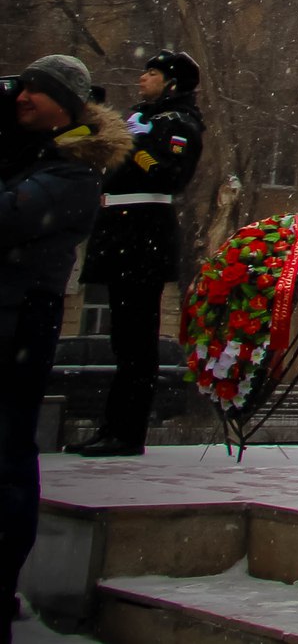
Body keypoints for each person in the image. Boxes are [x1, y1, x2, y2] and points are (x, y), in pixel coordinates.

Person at [0, 56, 130, 632]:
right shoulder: (24, 152)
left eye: (37, 90)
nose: (23, 96)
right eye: (20, 86)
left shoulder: (74, 171)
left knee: (6, 450)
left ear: (67, 105)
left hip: (18, 318)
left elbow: (11, 217)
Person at [71, 50, 203, 458]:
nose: (142, 79)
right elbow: (85, 146)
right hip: (118, 229)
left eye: (152, 73)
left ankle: (127, 431)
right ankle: (113, 426)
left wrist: (134, 146)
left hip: (143, 231)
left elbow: (170, 175)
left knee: (136, 342)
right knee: (122, 340)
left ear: (173, 83)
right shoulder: (138, 118)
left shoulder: (177, 123)